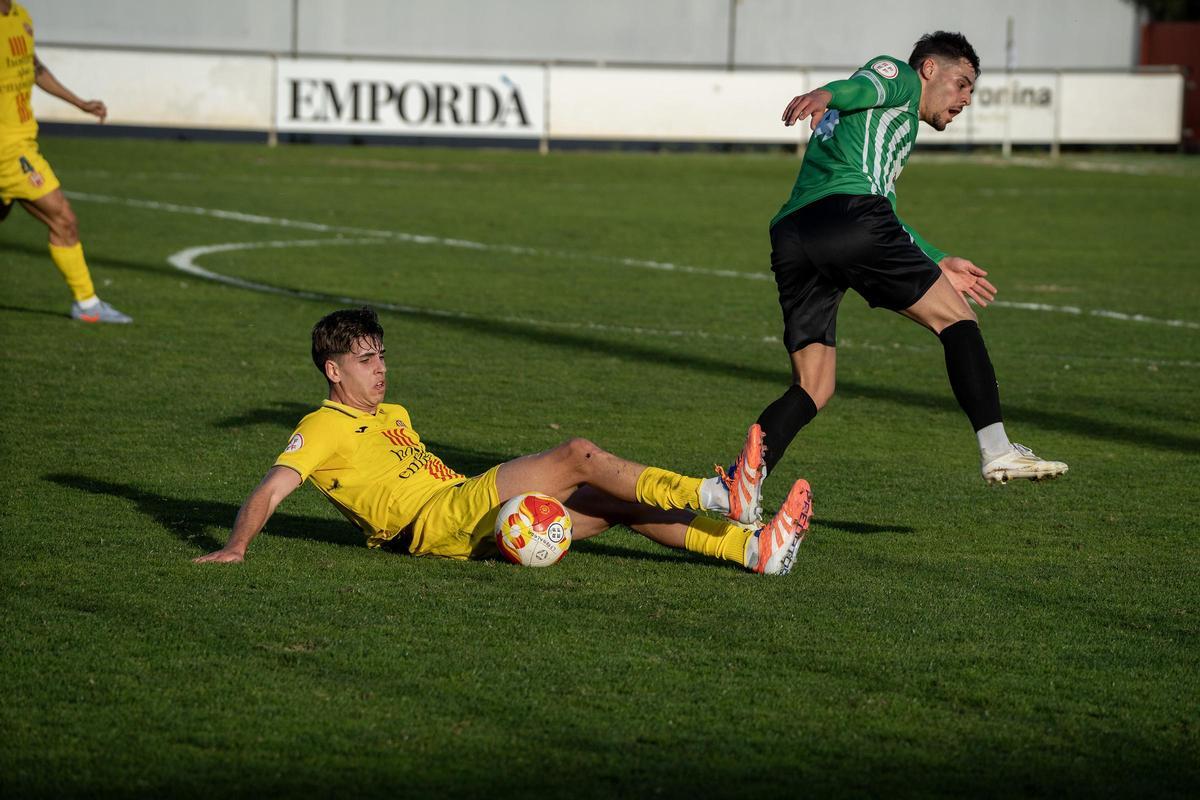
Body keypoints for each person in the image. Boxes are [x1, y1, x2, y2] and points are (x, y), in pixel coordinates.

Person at [715, 30, 1066, 514]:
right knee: (956, 318)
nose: (965, 99)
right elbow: (865, 84)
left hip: (795, 236)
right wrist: (826, 93)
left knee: (814, 385)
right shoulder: (899, 77)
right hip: (851, 216)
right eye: (961, 84)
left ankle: (739, 484)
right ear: (929, 69)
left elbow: (884, 209)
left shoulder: (881, 129)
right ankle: (997, 448)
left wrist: (936, 257)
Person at [193, 307, 813, 575]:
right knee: (577, 456)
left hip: (466, 508)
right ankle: (720, 492)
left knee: (619, 505)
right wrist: (237, 546)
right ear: (334, 371)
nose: (380, 369)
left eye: (382, 355)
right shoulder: (321, 425)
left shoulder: (394, 412)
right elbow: (273, 487)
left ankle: (752, 551)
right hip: (436, 524)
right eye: (364, 360)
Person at [0, 0, 131, 323]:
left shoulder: (20, 15)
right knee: (64, 218)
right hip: (8, 150)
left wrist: (79, 103)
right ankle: (88, 305)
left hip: (23, 139)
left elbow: (33, 68)